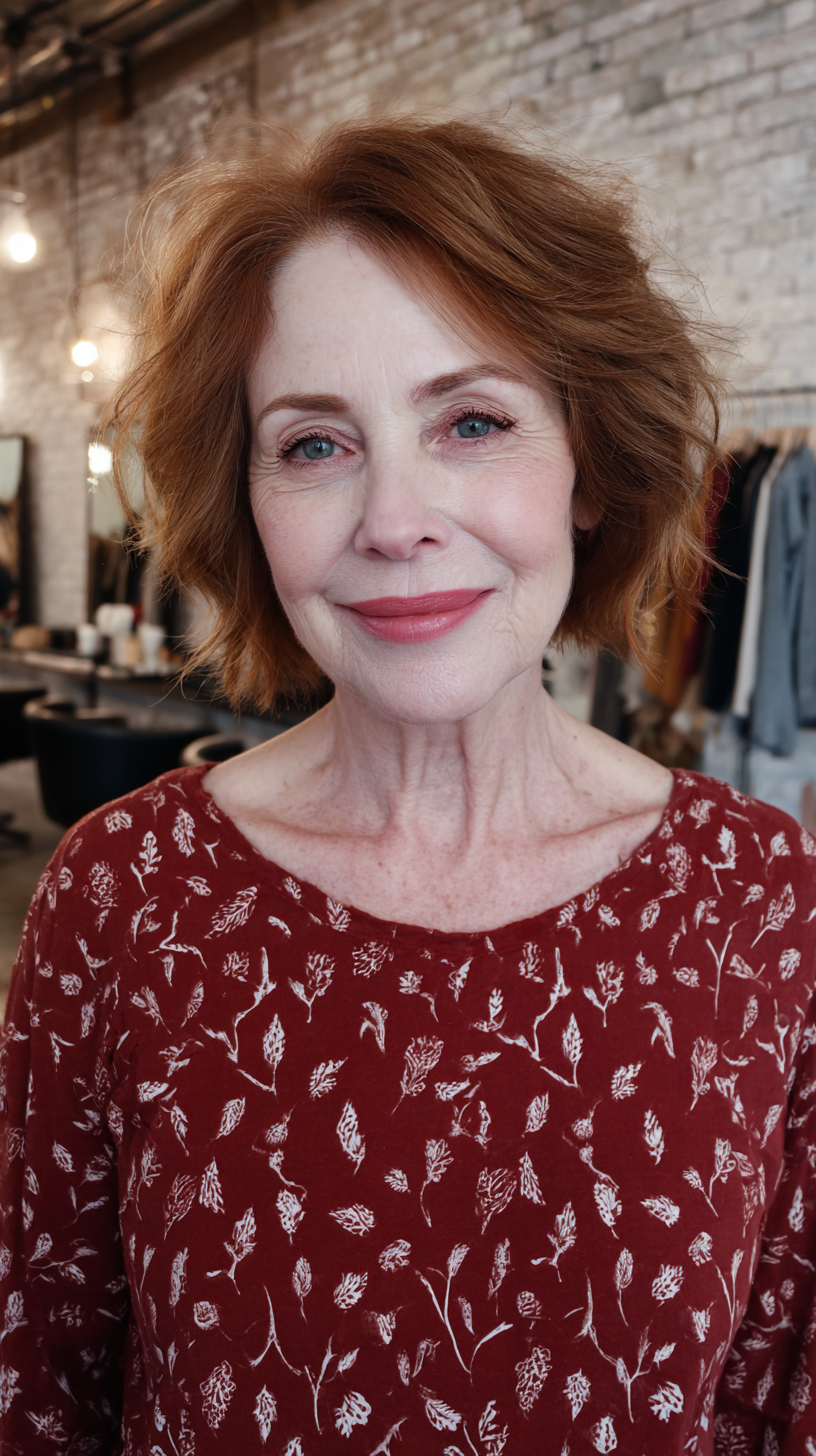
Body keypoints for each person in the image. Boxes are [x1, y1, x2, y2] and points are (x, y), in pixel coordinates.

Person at [1, 116, 814, 1456]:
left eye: (472, 422)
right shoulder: (124, 899)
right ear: (247, 500)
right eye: (315, 445)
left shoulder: (764, 906)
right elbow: (38, 1390)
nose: (392, 521)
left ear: (591, 466)